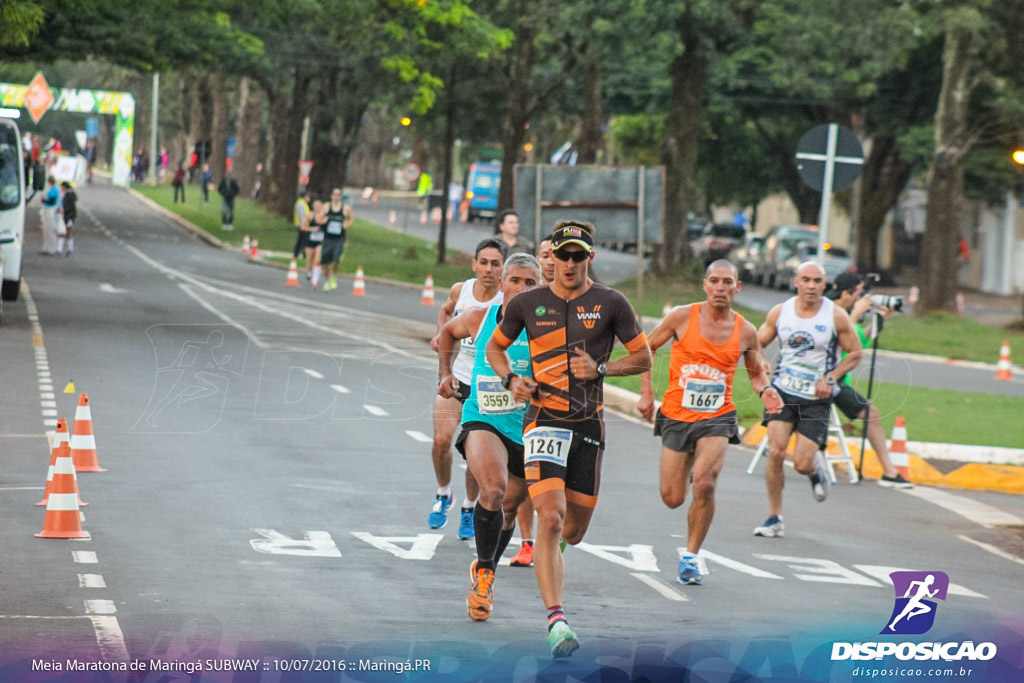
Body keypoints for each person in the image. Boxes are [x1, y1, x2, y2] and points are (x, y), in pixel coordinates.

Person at [486, 220, 652, 658]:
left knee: (573, 532)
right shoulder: (528, 303)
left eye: (579, 256)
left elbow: (642, 356)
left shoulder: (611, 303)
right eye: (564, 255)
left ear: (590, 258)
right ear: (552, 258)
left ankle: (552, 551)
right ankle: (556, 621)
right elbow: (494, 348)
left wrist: (600, 369)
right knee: (552, 517)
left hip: (588, 427)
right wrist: (510, 379)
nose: (571, 263)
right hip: (543, 420)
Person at [637, 260, 783, 585]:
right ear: (704, 285)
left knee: (704, 483)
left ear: (737, 287)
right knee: (673, 497)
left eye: (727, 282)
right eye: (714, 281)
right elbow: (645, 349)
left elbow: (757, 370)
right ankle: (691, 466)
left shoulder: (745, 329)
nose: (720, 287)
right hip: (676, 414)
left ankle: (690, 557)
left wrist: (767, 391)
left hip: (718, 417)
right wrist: (647, 394)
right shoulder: (680, 317)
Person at [437, 253, 542, 621]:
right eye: (515, 280)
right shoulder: (480, 319)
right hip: (483, 419)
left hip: (529, 429)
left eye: (531, 283)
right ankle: (483, 574)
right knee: (493, 490)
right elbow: (447, 332)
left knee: (509, 508)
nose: (522, 288)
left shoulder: (546, 331)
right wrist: (445, 374)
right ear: (502, 284)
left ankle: (488, 568)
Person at [752, 261, 862, 538]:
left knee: (801, 463)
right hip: (783, 392)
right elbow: (754, 344)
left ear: (825, 285)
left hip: (816, 398)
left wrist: (831, 378)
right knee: (775, 452)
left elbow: (855, 353)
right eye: (806, 280)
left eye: (817, 281)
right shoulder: (781, 312)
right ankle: (774, 517)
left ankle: (815, 471)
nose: (811, 286)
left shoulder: (835, 316)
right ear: (796, 282)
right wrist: (761, 361)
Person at [427, 239, 507, 539]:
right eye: (483, 262)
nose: (488, 269)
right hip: (458, 377)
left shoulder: (506, 299)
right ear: (474, 264)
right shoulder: (461, 290)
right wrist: (441, 335)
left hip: (487, 387)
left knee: (476, 457)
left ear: (503, 269)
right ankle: (443, 493)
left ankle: (469, 507)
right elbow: (446, 313)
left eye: (495, 263)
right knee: (441, 440)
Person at [828, 272, 913, 488]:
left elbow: (858, 342)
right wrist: (855, 314)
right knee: (870, 412)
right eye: (858, 294)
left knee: (871, 413)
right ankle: (890, 470)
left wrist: (878, 320)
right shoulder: (828, 310)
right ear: (846, 294)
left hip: (838, 381)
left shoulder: (846, 314)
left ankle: (889, 471)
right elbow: (833, 339)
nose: (861, 299)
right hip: (827, 379)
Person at [508, 233, 557, 569]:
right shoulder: (524, 302)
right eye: (545, 254)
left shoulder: (581, 300)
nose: (552, 260)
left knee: (555, 480)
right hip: (519, 403)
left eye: (557, 255)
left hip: (561, 405)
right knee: (526, 476)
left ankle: (558, 529)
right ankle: (528, 541)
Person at [320, 188, 353, 292]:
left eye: (338, 195)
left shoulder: (345, 208)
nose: (336, 197)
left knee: (336, 260)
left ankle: (333, 277)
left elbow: (352, 218)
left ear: (340, 197)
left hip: (339, 239)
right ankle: (327, 280)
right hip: (328, 238)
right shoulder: (326, 207)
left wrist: (347, 224)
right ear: (331, 196)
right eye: (334, 194)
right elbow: (318, 219)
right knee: (325, 262)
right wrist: (323, 220)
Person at [301, 197, 326, 289]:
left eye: (319, 206)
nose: (317, 207)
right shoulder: (310, 215)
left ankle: (315, 279)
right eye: (315, 206)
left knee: (317, 260)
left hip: (320, 240)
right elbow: (303, 227)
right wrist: (312, 229)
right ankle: (310, 271)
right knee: (309, 260)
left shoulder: (325, 216)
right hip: (310, 239)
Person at [39, 176, 60, 255]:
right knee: (45, 229)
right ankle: (46, 247)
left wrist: (44, 200)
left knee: (51, 230)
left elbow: (51, 201)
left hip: (51, 210)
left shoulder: (54, 190)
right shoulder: (51, 189)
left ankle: (52, 248)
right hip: (47, 210)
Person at [57, 181, 77, 256]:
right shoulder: (64, 194)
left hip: (68, 217)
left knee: (68, 232)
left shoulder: (70, 195)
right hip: (64, 216)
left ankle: (70, 248)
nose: (61, 188)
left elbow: (71, 206)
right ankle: (60, 248)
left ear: (64, 187)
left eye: (62, 187)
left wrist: (64, 210)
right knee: (62, 232)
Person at [292, 187, 312, 262]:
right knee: (303, 241)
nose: (309, 198)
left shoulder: (303, 203)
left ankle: (298, 254)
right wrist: (304, 225)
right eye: (308, 197)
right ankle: (300, 254)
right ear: (305, 196)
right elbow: (301, 215)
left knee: (302, 240)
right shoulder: (301, 203)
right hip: (302, 225)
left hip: (303, 225)